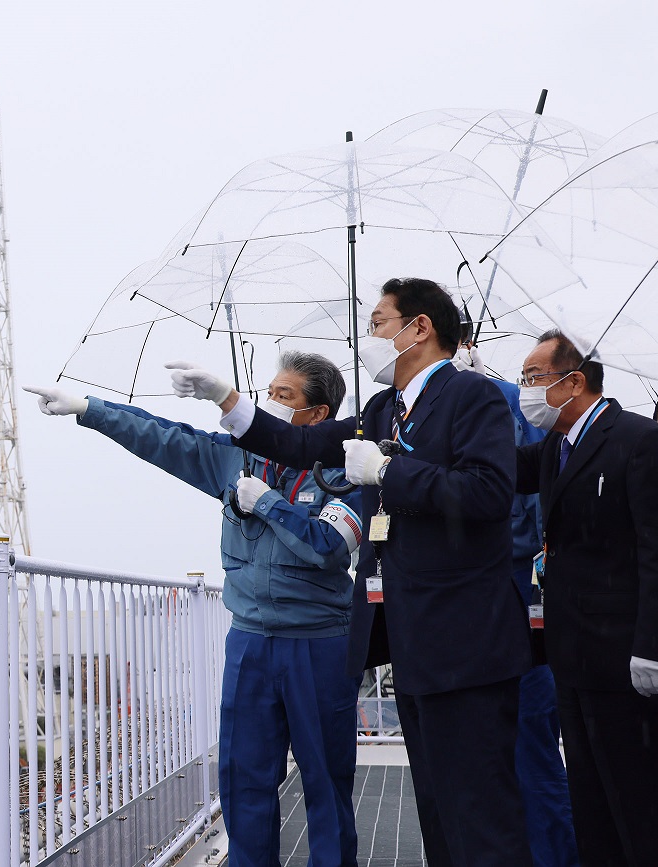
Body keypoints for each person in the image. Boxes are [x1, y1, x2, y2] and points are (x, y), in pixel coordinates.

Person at [170, 277, 534, 867]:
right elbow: (295, 443)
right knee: (438, 809)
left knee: (479, 810)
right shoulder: (385, 408)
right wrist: (226, 399)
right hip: (413, 639)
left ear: (420, 328)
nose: (368, 337)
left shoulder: (473, 397)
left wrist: (388, 471)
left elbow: (490, 492)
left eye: (377, 323)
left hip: (466, 641)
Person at [24, 349, 361, 867]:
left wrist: (269, 502)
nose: (269, 403)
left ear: (317, 415)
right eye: (268, 393)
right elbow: (161, 437)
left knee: (324, 780)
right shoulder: (234, 459)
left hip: (318, 644)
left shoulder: (348, 471)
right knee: (243, 777)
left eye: (284, 396)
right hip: (249, 641)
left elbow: (328, 548)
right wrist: (88, 408)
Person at [514, 330, 658, 865]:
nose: (525, 391)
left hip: (627, 659)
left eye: (533, 379)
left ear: (574, 381)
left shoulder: (638, 440)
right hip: (573, 656)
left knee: (643, 801)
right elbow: (498, 465)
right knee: (591, 801)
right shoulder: (557, 446)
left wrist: (653, 645)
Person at [455, 343, 580, 867]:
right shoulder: (422, 412)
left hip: (516, 599)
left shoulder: (513, 407)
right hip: (463, 607)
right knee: (480, 760)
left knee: (530, 750)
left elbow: (527, 502)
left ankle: (556, 858)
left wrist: (494, 392)